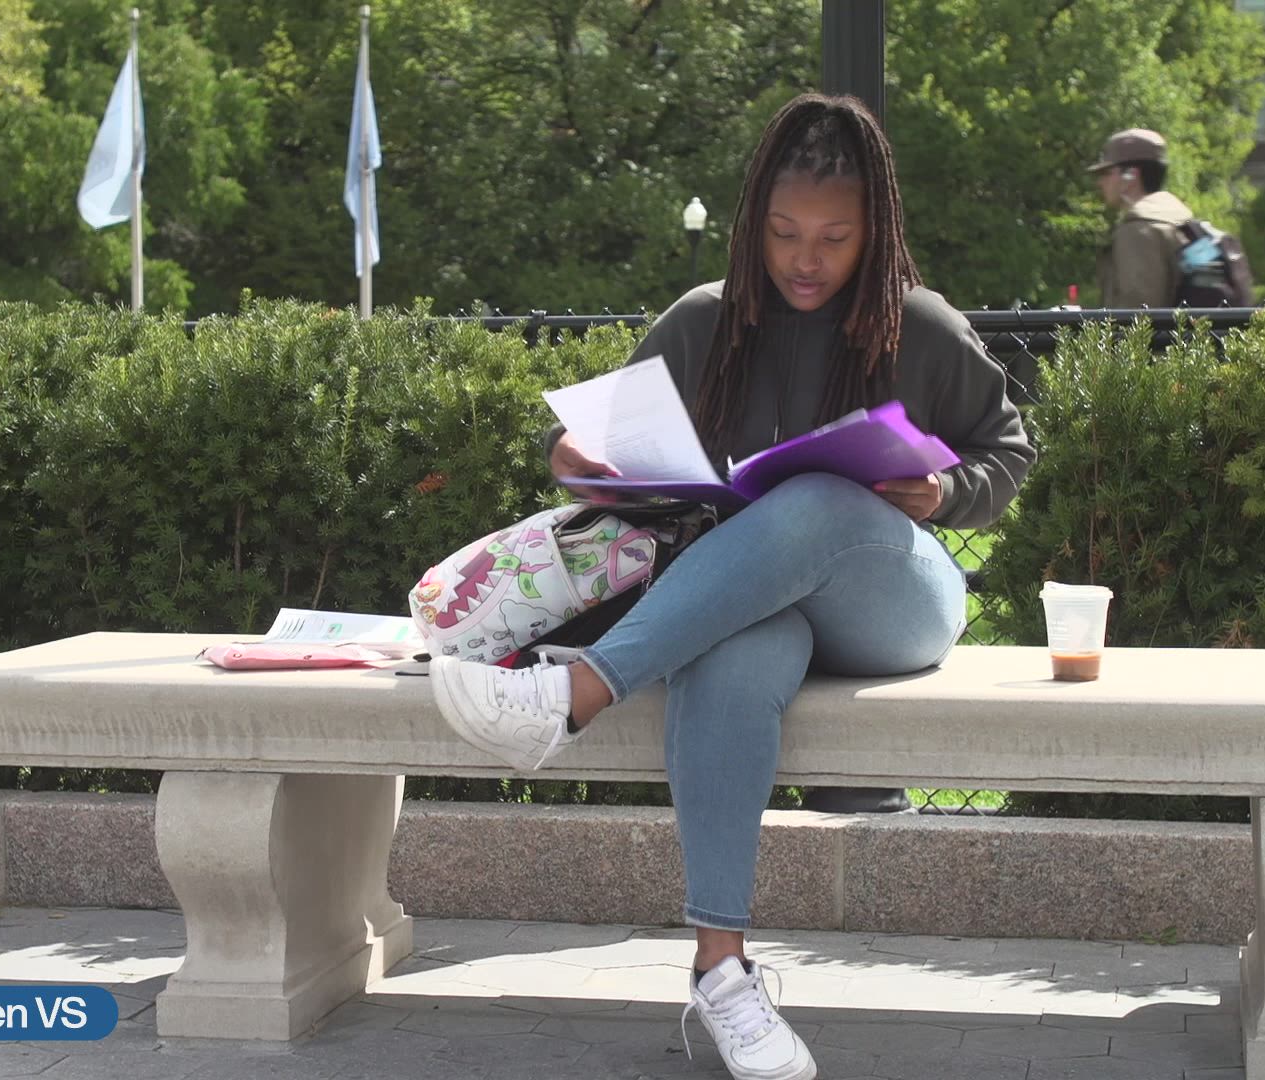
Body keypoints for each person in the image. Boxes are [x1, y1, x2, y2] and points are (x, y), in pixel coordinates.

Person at [428, 92, 1034, 1080]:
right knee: (734, 650)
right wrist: (575, 458)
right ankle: (722, 974)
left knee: (816, 500)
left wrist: (946, 491)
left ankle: (576, 691)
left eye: (834, 238)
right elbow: (592, 440)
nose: (805, 259)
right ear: (753, 221)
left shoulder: (917, 324)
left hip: (889, 599)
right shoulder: (705, 321)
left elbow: (1008, 450)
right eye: (784, 233)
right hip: (747, 602)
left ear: (875, 230)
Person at [1089, 127, 1195, 308]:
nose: (1100, 182)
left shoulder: (1138, 230)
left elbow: (1138, 312)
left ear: (1131, 176)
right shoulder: (1180, 219)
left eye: (1107, 173)